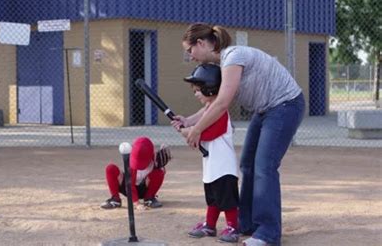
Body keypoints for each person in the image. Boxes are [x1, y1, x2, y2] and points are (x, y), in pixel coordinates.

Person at [177, 23, 305, 246]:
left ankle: (268, 233)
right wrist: (188, 121)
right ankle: (246, 224)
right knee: (247, 164)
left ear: (201, 43)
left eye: (190, 51)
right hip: (265, 109)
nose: (190, 56)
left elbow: (223, 104)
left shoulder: (233, 57)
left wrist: (196, 130)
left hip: (285, 105)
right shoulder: (223, 64)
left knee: (264, 167)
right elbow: (215, 102)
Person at [172, 63, 240, 243]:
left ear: (210, 89)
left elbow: (207, 133)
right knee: (213, 198)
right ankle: (210, 225)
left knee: (227, 199)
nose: (195, 94)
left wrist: (189, 132)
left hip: (224, 167)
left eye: (198, 90)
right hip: (212, 166)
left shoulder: (220, 112)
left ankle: (233, 226)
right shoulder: (210, 108)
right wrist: (185, 122)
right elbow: (200, 116)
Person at [100, 136, 172, 210]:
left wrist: (160, 167)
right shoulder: (131, 163)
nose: (139, 165)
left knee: (160, 171)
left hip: (144, 189)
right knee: (111, 168)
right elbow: (130, 184)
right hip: (128, 187)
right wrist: (136, 203)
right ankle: (115, 199)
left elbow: (158, 176)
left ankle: (149, 198)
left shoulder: (156, 160)